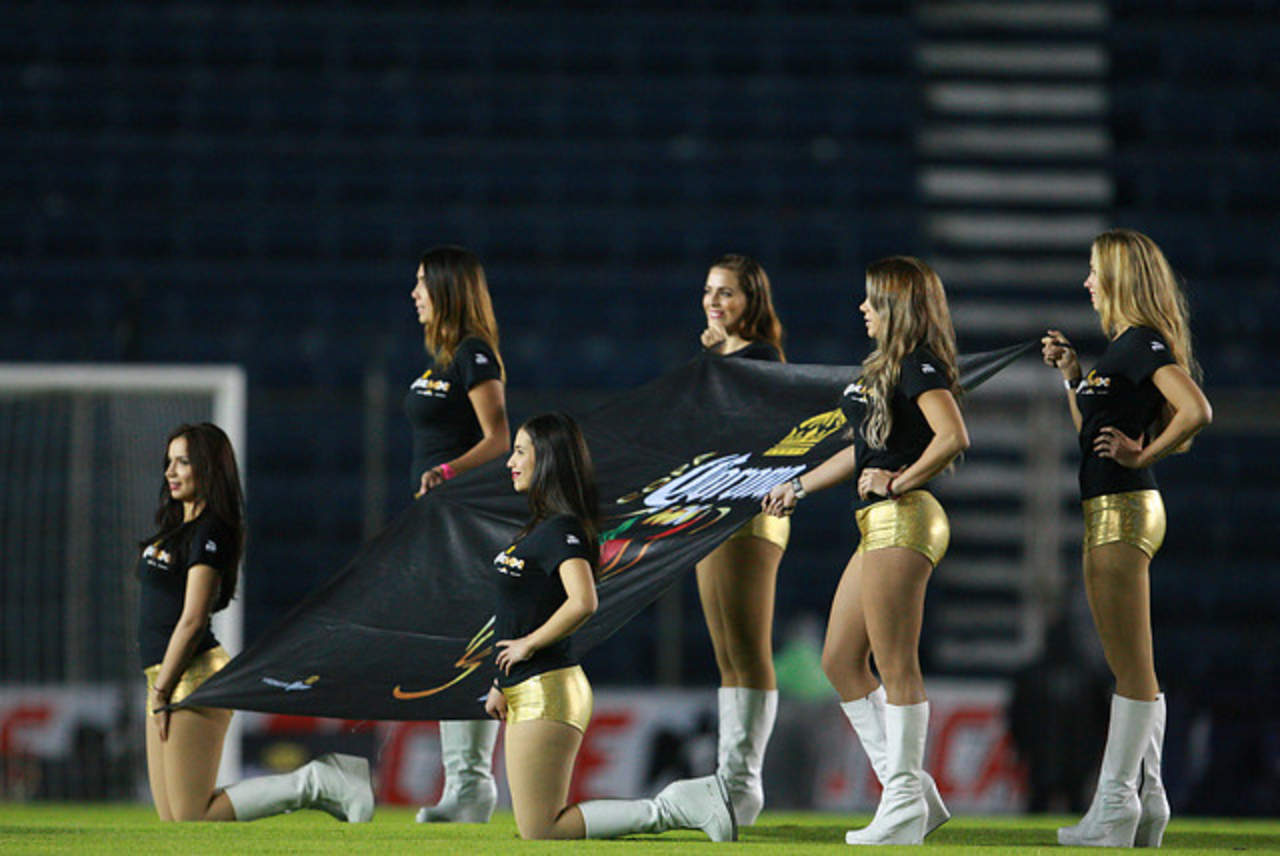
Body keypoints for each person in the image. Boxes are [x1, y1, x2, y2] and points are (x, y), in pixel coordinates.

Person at [764, 256, 966, 845]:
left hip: (904, 516)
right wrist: (800, 485)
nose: (862, 309)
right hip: (879, 522)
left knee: (897, 664)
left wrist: (899, 480)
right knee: (839, 662)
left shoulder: (917, 363)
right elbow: (861, 449)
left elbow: (953, 436)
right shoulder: (887, 367)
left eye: (872, 300)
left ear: (896, 307)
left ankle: (901, 804)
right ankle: (912, 791)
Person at [484, 413, 736, 841]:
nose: (511, 462)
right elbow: (524, 608)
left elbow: (583, 601)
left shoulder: (562, 528)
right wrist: (499, 681)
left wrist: (527, 645)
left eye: (521, 452)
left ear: (547, 460)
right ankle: (682, 804)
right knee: (536, 827)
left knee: (543, 828)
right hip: (525, 686)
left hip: (547, 687)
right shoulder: (541, 528)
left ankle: (677, 807)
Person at [1042, 228, 1212, 847]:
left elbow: (1196, 409)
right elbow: (1090, 433)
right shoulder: (1124, 347)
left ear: (1119, 275)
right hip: (1115, 508)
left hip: (1124, 508)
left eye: (1095, 270)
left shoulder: (1140, 341)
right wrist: (1073, 378)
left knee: (1129, 669)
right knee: (1133, 665)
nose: (1087, 282)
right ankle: (1150, 797)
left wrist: (1143, 454)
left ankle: (1115, 806)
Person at [140, 423, 372, 822]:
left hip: (191, 676)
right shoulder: (179, 527)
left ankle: (320, 780)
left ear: (207, 468)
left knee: (192, 817)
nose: (170, 472)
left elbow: (193, 619)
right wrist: (157, 686)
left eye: (183, 462)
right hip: (161, 675)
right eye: (169, 462)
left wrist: (162, 690)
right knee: (174, 821)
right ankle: (323, 779)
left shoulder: (211, 530)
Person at [406, 246, 511, 823]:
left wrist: (446, 473)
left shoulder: (474, 352)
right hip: (438, 520)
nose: (415, 293)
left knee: (466, 644)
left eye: (423, 282)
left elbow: (499, 438)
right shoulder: (443, 359)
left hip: (465, 520)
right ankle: (465, 785)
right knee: (451, 644)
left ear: (448, 288)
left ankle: (473, 784)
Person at [694, 253, 789, 825]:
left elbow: (748, 426)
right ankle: (731, 777)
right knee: (726, 653)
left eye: (726, 292)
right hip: (713, 509)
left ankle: (745, 782)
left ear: (751, 299)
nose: (714, 301)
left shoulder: (762, 356)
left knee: (748, 650)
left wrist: (714, 362)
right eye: (709, 290)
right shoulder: (720, 357)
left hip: (751, 510)